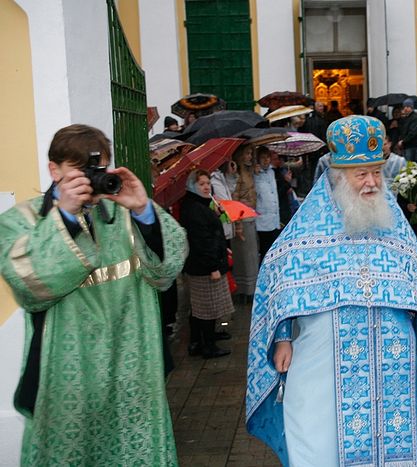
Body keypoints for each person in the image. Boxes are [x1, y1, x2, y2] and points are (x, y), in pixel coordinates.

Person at [246, 115, 417, 466]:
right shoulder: (308, 225)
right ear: (338, 177)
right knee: (319, 437)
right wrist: (282, 335)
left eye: (376, 172)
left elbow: (416, 274)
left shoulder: (392, 222)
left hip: (391, 352)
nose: (372, 182)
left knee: (394, 438)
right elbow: (278, 279)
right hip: (323, 353)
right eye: (361, 174)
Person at [0, 124, 186, 465]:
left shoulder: (125, 211)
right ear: (53, 170)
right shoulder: (22, 220)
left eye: (96, 169)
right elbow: (29, 287)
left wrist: (144, 211)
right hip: (67, 375)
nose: (90, 179)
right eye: (79, 171)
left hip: (133, 368)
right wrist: (67, 216)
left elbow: (167, 269)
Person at [179, 170, 234, 359]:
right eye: (201, 184)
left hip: (205, 264)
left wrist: (217, 215)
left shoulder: (202, 205)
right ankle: (207, 346)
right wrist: (213, 267)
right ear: (192, 186)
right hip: (203, 268)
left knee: (202, 307)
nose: (206, 187)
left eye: (207, 183)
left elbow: (212, 234)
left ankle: (201, 341)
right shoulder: (194, 209)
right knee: (207, 309)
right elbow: (201, 242)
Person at [231, 144, 259, 299]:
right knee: (245, 256)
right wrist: (238, 224)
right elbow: (235, 197)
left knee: (252, 255)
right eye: (247, 153)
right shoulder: (238, 174)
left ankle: (251, 289)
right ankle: (245, 290)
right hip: (242, 217)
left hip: (251, 215)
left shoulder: (248, 171)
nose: (249, 156)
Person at [253, 147, 282, 261]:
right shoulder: (255, 173)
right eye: (263, 158)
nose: (266, 160)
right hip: (263, 220)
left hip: (275, 217)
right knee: (265, 250)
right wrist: (255, 175)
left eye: (268, 157)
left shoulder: (271, 172)